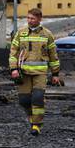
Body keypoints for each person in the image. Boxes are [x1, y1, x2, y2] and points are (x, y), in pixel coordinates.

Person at [9, 8, 60, 136]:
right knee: (24, 100)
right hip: (23, 72)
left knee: (37, 98)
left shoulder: (47, 34)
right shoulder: (21, 33)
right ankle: (32, 117)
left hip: (40, 73)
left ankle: (36, 125)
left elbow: (53, 55)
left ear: (39, 19)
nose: (30, 21)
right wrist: (14, 69)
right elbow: (13, 52)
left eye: (32, 18)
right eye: (28, 18)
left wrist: (55, 74)